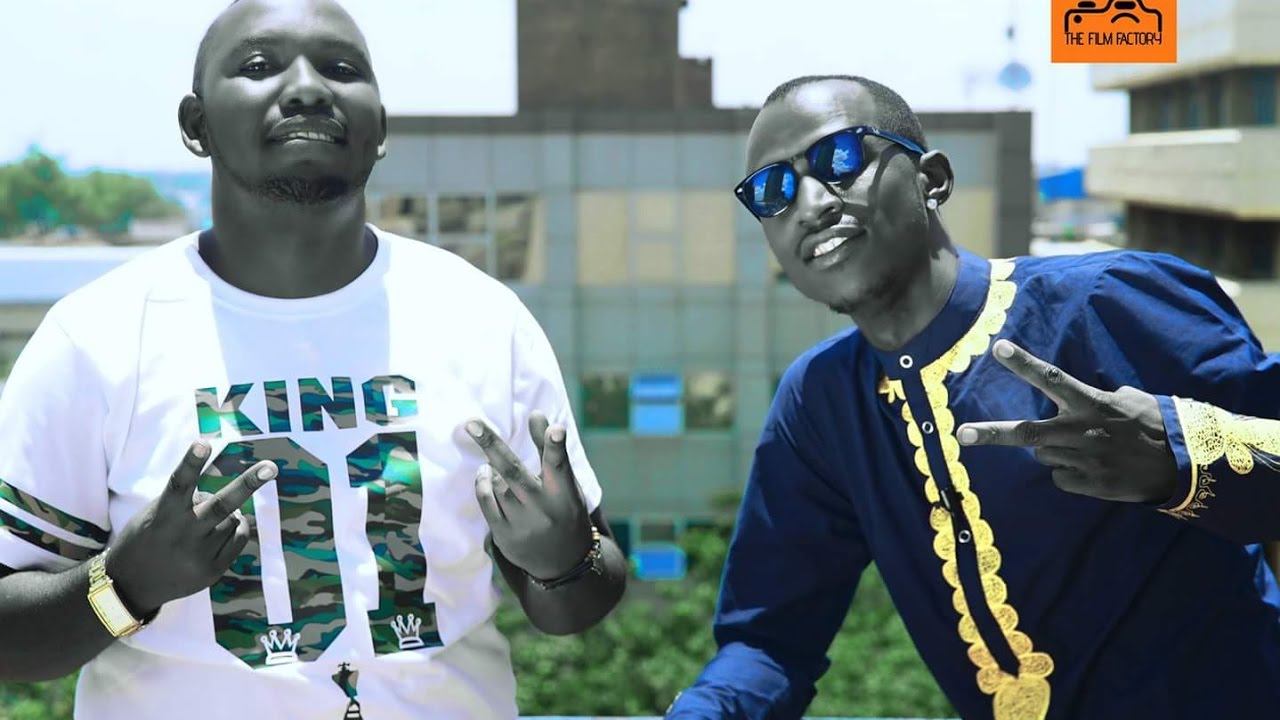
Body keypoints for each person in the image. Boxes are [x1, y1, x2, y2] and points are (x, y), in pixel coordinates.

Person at [0, 1, 626, 718]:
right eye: (259, 66)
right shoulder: (98, 336)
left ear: (380, 129)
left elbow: (579, 603)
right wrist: (125, 585)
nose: (307, 88)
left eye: (341, 68)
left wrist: (562, 561)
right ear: (196, 124)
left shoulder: (483, 319)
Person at [664, 74, 1280, 720]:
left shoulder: (1104, 302)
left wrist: (1181, 456)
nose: (811, 203)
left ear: (931, 179)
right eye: (773, 191)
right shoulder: (820, 404)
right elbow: (769, 643)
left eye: (839, 158)